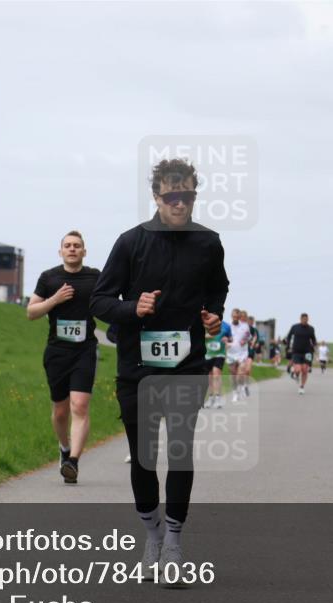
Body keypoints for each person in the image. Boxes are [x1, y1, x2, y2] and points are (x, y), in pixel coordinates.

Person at [90, 157, 228, 580]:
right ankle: (151, 533)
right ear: (156, 196)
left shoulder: (209, 243)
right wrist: (134, 308)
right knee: (144, 457)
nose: (180, 203)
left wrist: (213, 316)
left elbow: (218, 288)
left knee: (180, 450)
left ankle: (173, 543)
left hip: (188, 364)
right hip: (138, 367)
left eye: (187, 195)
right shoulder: (131, 242)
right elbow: (99, 301)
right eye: (172, 196)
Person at [27, 231, 100, 484]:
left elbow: (109, 303)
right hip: (57, 351)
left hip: (85, 350)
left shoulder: (95, 277)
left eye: (77, 246)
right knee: (60, 411)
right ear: (61, 252)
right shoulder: (49, 277)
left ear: (84, 251)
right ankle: (64, 448)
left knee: (79, 405)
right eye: (67, 246)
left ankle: (74, 463)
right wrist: (55, 299)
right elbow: (31, 312)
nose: (72, 249)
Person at [204, 318, 232, 408]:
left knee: (216, 374)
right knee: (210, 376)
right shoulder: (205, 323)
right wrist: (207, 336)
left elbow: (231, 338)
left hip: (220, 353)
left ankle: (218, 398)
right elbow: (198, 336)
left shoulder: (226, 326)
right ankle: (211, 397)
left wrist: (227, 339)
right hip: (208, 353)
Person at [286, 313, 317, 394]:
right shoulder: (295, 327)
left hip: (307, 352)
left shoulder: (311, 329)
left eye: (306, 319)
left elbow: (313, 339)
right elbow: (289, 336)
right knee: (298, 369)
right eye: (303, 319)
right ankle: (295, 373)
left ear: (308, 319)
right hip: (296, 351)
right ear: (300, 319)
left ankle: (302, 387)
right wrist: (288, 346)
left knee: (305, 370)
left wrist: (314, 346)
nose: (305, 320)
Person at [225, 309, 251, 402]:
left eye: (237, 316)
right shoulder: (228, 326)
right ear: (231, 316)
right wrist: (226, 342)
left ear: (239, 317)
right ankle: (235, 392)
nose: (235, 318)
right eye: (234, 316)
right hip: (231, 353)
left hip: (242, 353)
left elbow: (248, 336)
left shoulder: (245, 326)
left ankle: (240, 388)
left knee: (240, 374)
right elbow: (224, 337)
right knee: (233, 374)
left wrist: (244, 340)